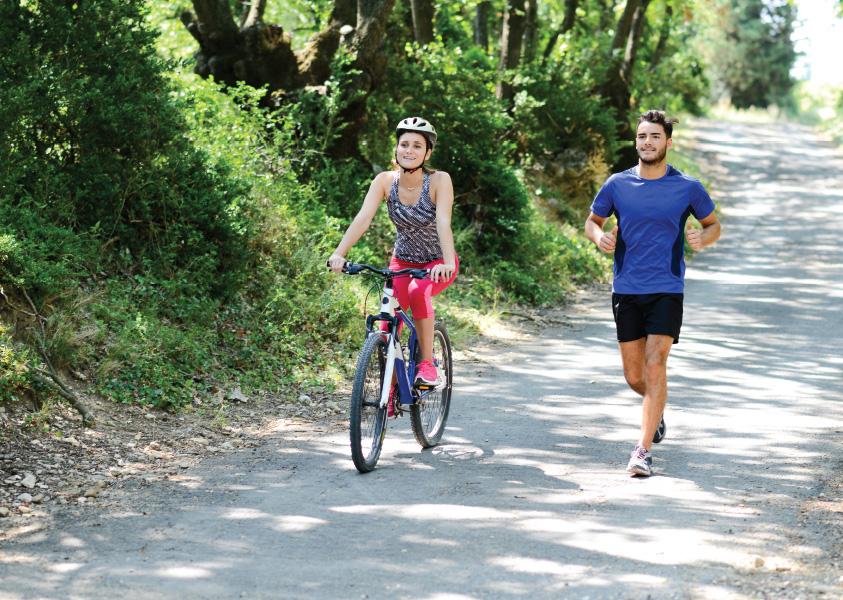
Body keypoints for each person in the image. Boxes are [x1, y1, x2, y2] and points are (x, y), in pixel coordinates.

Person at [584, 110, 721, 477]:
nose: (647, 142)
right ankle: (655, 411)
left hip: (667, 287)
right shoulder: (617, 184)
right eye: (642, 137)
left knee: (655, 363)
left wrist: (701, 239)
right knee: (634, 376)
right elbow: (592, 222)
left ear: (668, 143)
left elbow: (713, 226)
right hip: (626, 287)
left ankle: (642, 450)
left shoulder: (687, 187)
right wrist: (601, 238)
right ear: (636, 142)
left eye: (655, 137)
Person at [327, 117, 458, 408]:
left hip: (437, 263)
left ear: (427, 153)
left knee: (417, 292)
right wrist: (340, 253)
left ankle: (426, 363)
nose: (409, 150)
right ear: (397, 148)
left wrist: (447, 261)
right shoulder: (385, 181)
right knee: (387, 320)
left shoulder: (439, 181)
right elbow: (363, 218)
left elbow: (443, 222)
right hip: (402, 260)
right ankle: (391, 385)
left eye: (417, 145)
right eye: (404, 144)